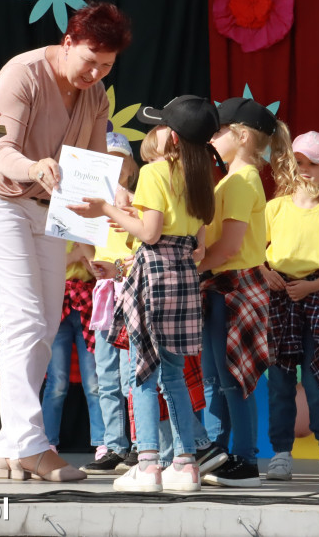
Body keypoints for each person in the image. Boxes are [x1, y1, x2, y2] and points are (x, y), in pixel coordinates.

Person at [0, 2, 131, 482]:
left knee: (39, 326)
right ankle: (33, 445)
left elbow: (92, 167)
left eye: (107, 65)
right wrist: (35, 167)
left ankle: (8, 445)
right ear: (69, 41)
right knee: (23, 321)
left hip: (49, 214)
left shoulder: (95, 95)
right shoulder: (21, 73)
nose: (95, 72)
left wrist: (93, 241)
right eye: (90, 59)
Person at [69, 95, 218, 494]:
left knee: (143, 372)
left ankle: (149, 463)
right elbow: (197, 243)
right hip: (184, 273)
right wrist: (130, 212)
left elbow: (150, 234)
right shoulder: (202, 177)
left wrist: (108, 209)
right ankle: (186, 464)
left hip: (152, 272)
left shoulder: (156, 172)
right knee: (171, 373)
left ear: (171, 135)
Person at [197, 97, 293, 488]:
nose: (213, 138)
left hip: (234, 287)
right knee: (216, 376)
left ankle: (244, 458)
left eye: (218, 131)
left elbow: (230, 246)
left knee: (234, 377)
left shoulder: (241, 180)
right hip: (223, 286)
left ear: (238, 135)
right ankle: (220, 452)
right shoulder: (232, 179)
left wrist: (192, 267)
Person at [262, 131, 319, 482]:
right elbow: (254, 248)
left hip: (314, 298)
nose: (305, 170)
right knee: (280, 381)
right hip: (279, 295)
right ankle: (281, 455)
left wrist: (312, 286)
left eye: (313, 164)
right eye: (299, 162)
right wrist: (264, 271)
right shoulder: (274, 208)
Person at [81, 132, 139, 474]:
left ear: (130, 166)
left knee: (131, 374)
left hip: (131, 292)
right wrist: (92, 263)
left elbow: (144, 243)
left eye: (119, 158)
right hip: (105, 294)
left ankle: (138, 444)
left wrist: (119, 269)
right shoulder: (92, 204)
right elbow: (78, 236)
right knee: (106, 374)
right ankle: (114, 446)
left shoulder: (135, 201)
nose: (113, 166)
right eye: (106, 159)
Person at [40, 241, 105, 459]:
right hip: (58, 300)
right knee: (57, 381)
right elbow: (43, 266)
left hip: (88, 302)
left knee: (95, 382)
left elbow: (99, 270)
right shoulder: (50, 228)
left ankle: (103, 442)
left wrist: (84, 252)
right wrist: (74, 254)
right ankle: (48, 442)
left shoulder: (88, 228)